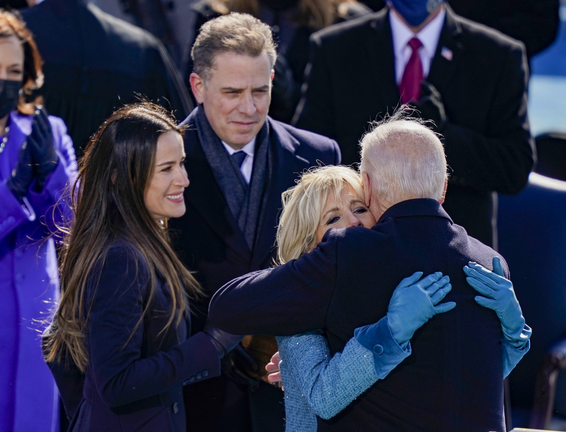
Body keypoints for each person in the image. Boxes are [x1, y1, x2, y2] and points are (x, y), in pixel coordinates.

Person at [209, 111, 532, 431]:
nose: (350, 224)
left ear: (368, 187)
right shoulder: (489, 262)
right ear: (443, 187)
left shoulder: (355, 257)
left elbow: (461, 378)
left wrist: (516, 337)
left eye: (359, 208)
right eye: (332, 219)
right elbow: (323, 395)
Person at [167, 12, 342, 432]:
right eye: (231, 92)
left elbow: (337, 267)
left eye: (259, 91)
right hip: (193, 398)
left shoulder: (320, 156)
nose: (248, 108)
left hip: (290, 396)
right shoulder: (157, 163)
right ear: (197, 86)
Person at [42, 102, 244, 431]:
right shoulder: (120, 258)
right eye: (166, 169)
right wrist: (212, 344)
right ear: (122, 178)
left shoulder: (139, 243)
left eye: (181, 163)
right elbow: (117, 381)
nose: (184, 179)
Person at [293, 0, 535, 249]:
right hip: (359, 257)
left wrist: (442, 135)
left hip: (455, 256)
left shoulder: (499, 54)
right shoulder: (335, 48)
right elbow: (308, 157)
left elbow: (514, 167)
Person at [0, 8, 77, 432]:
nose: (3, 80)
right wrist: (9, 194)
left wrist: (53, 173)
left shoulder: (49, 131)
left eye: (14, 70)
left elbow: (75, 226)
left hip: (36, 339)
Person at [19, 0, 193, 158]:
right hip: (119, 187)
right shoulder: (141, 50)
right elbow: (182, 137)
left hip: (32, 186)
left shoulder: (10, 39)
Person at [188, 0, 371, 122]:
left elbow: (354, 111)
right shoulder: (214, 16)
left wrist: (295, 95)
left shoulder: (347, 23)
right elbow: (193, 97)